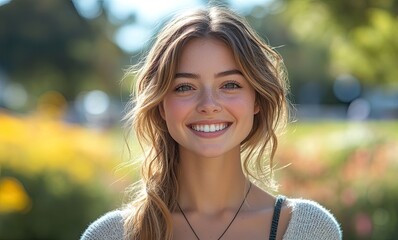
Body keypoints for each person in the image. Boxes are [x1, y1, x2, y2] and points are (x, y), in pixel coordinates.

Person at [81, 6, 341, 240]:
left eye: (230, 85)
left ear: (257, 100)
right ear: (161, 104)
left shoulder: (309, 229)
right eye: (184, 87)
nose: (208, 104)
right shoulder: (111, 235)